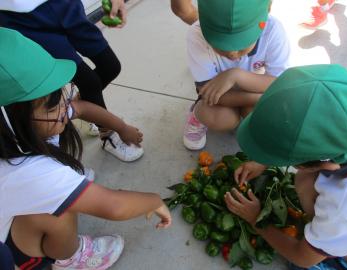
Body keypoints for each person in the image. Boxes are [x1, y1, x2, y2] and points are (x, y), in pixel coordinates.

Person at [0, 27, 171, 270]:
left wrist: (120, 127)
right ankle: (68, 257)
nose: (64, 106)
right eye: (52, 106)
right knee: (62, 211)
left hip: (15, 214)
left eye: (60, 95)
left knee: (59, 196)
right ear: (9, 122)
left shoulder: (27, 125)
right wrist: (154, 200)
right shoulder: (24, 172)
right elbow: (114, 205)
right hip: (14, 252)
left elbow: (82, 108)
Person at [225, 64, 347, 269]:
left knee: (304, 261)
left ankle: (344, 254)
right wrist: (265, 159)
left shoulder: (344, 209)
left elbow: (302, 257)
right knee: (305, 180)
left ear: (324, 164)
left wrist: (256, 220)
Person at [0, 0, 144, 162]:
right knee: (89, 81)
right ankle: (107, 133)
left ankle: (82, 108)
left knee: (111, 66)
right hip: (21, 20)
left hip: (67, 5)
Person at [183, 0, 291, 150]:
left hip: (253, 84)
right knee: (222, 119)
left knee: (262, 116)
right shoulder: (196, 34)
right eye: (221, 45)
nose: (232, 53)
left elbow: (280, 82)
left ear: (264, 18)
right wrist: (258, 98)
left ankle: (246, 113)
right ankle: (197, 116)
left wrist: (235, 75)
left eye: (242, 44)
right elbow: (208, 92)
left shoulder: (273, 30)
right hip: (220, 93)